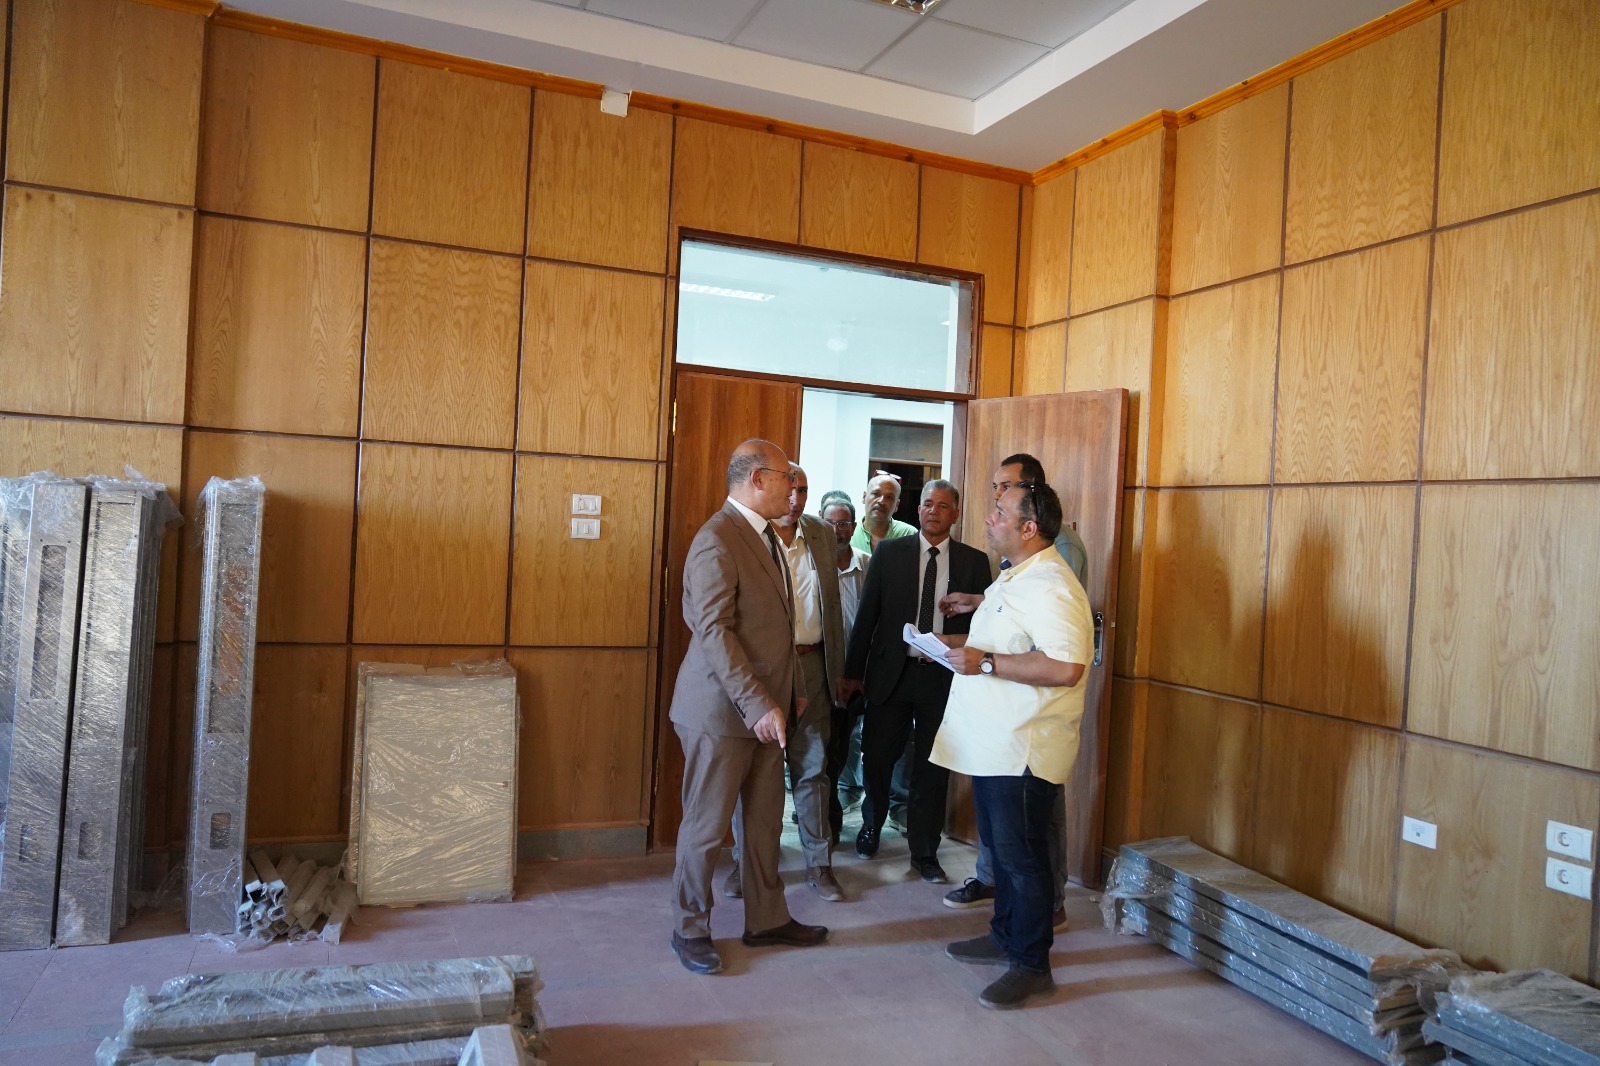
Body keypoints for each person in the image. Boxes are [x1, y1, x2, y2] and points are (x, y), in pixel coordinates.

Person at [668, 440, 828, 975]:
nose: (794, 487)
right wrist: (759, 702)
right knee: (707, 828)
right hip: (721, 712)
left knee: (763, 824)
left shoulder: (766, 535)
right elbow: (714, 632)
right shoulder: (717, 538)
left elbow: (782, 627)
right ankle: (689, 928)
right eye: (786, 477)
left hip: (768, 711)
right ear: (758, 479)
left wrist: (793, 689)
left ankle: (767, 920)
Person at [934, 480, 1092, 1009]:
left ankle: (1031, 964)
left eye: (999, 512)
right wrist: (951, 645)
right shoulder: (1013, 576)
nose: (988, 518)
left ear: (1029, 527)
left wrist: (983, 662)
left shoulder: (1053, 584)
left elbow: (1066, 667)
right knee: (1002, 853)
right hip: (993, 743)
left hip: (1024, 748)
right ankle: (1003, 935)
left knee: (1024, 861)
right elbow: (1004, 643)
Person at [839, 480, 991, 883]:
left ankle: (925, 851)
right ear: (918, 509)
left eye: (942, 505)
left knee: (932, 766)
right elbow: (867, 616)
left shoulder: (974, 562)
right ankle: (871, 825)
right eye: (927, 504)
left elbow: (984, 627)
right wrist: (852, 673)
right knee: (877, 757)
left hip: (942, 679)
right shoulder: (890, 553)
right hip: (891, 674)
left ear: (955, 513)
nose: (933, 511)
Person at [723, 463, 847, 902]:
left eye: (804, 491)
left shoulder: (821, 534)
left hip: (813, 666)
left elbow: (832, 607)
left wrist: (838, 670)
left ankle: (819, 864)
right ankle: (748, 863)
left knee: (813, 768)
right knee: (759, 773)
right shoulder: (749, 533)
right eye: (789, 489)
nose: (795, 500)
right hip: (765, 671)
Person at [820, 494, 871, 832]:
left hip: (856, 674)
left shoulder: (869, 565)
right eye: (830, 523)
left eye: (843, 523)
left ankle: (826, 807)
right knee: (820, 749)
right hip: (818, 671)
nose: (837, 530)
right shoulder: (811, 564)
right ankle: (825, 814)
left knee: (842, 745)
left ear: (853, 527)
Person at [850, 471, 917, 554]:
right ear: (864, 497)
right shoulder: (849, 531)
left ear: (896, 505)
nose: (881, 501)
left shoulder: (909, 535)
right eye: (876, 494)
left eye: (889, 497)